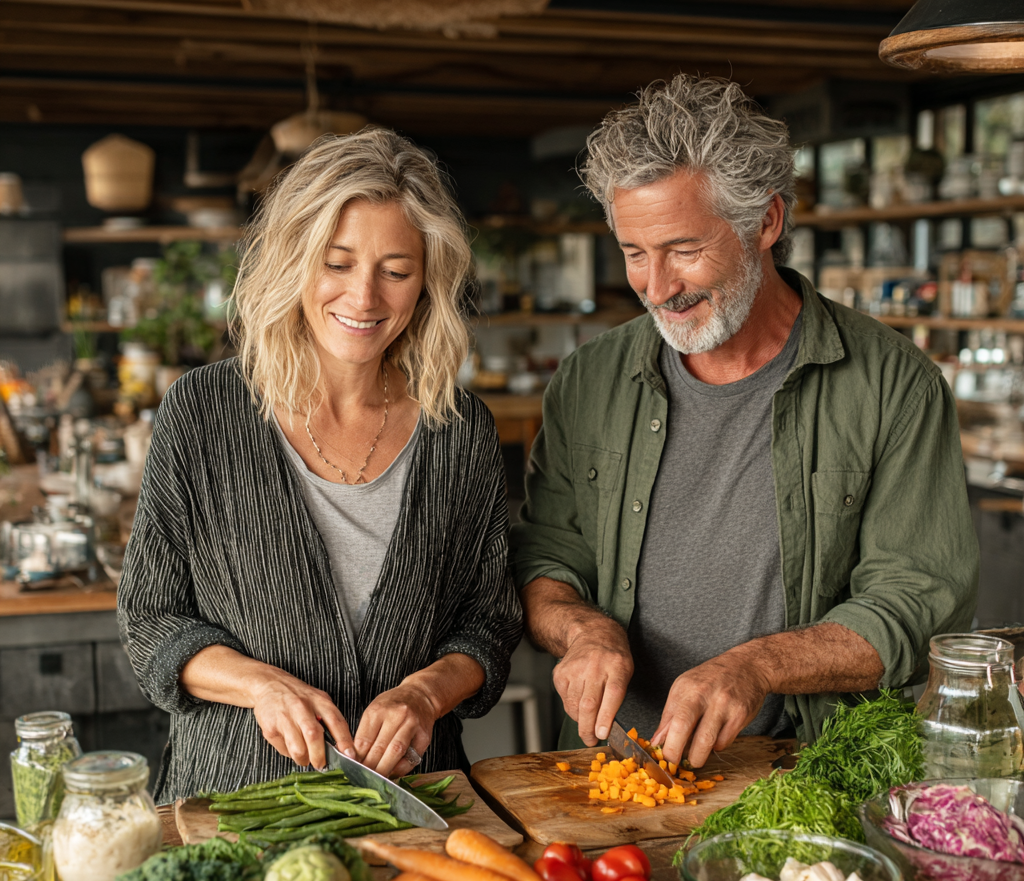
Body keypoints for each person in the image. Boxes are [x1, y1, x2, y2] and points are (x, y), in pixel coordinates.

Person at [511, 75, 978, 768]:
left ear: (767, 222)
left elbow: (917, 603)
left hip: (805, 776)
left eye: (683, 249)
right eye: (636, 253)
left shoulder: (893, 383)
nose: (657, 287)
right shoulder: (590, 380)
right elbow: (546, 560)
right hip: (606, 777)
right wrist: (582, 631)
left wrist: (755, 667)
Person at [119, 127, 522, 802]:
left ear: (426, 284)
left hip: (409, 806)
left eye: (395, 272)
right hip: (235, 805)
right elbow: (151, 621)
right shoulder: (204, 413)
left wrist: (425, 694)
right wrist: (261, 686)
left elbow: (489, 622)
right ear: (292, 261)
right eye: (337, 264)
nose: (364, 299)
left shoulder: (460, 430)